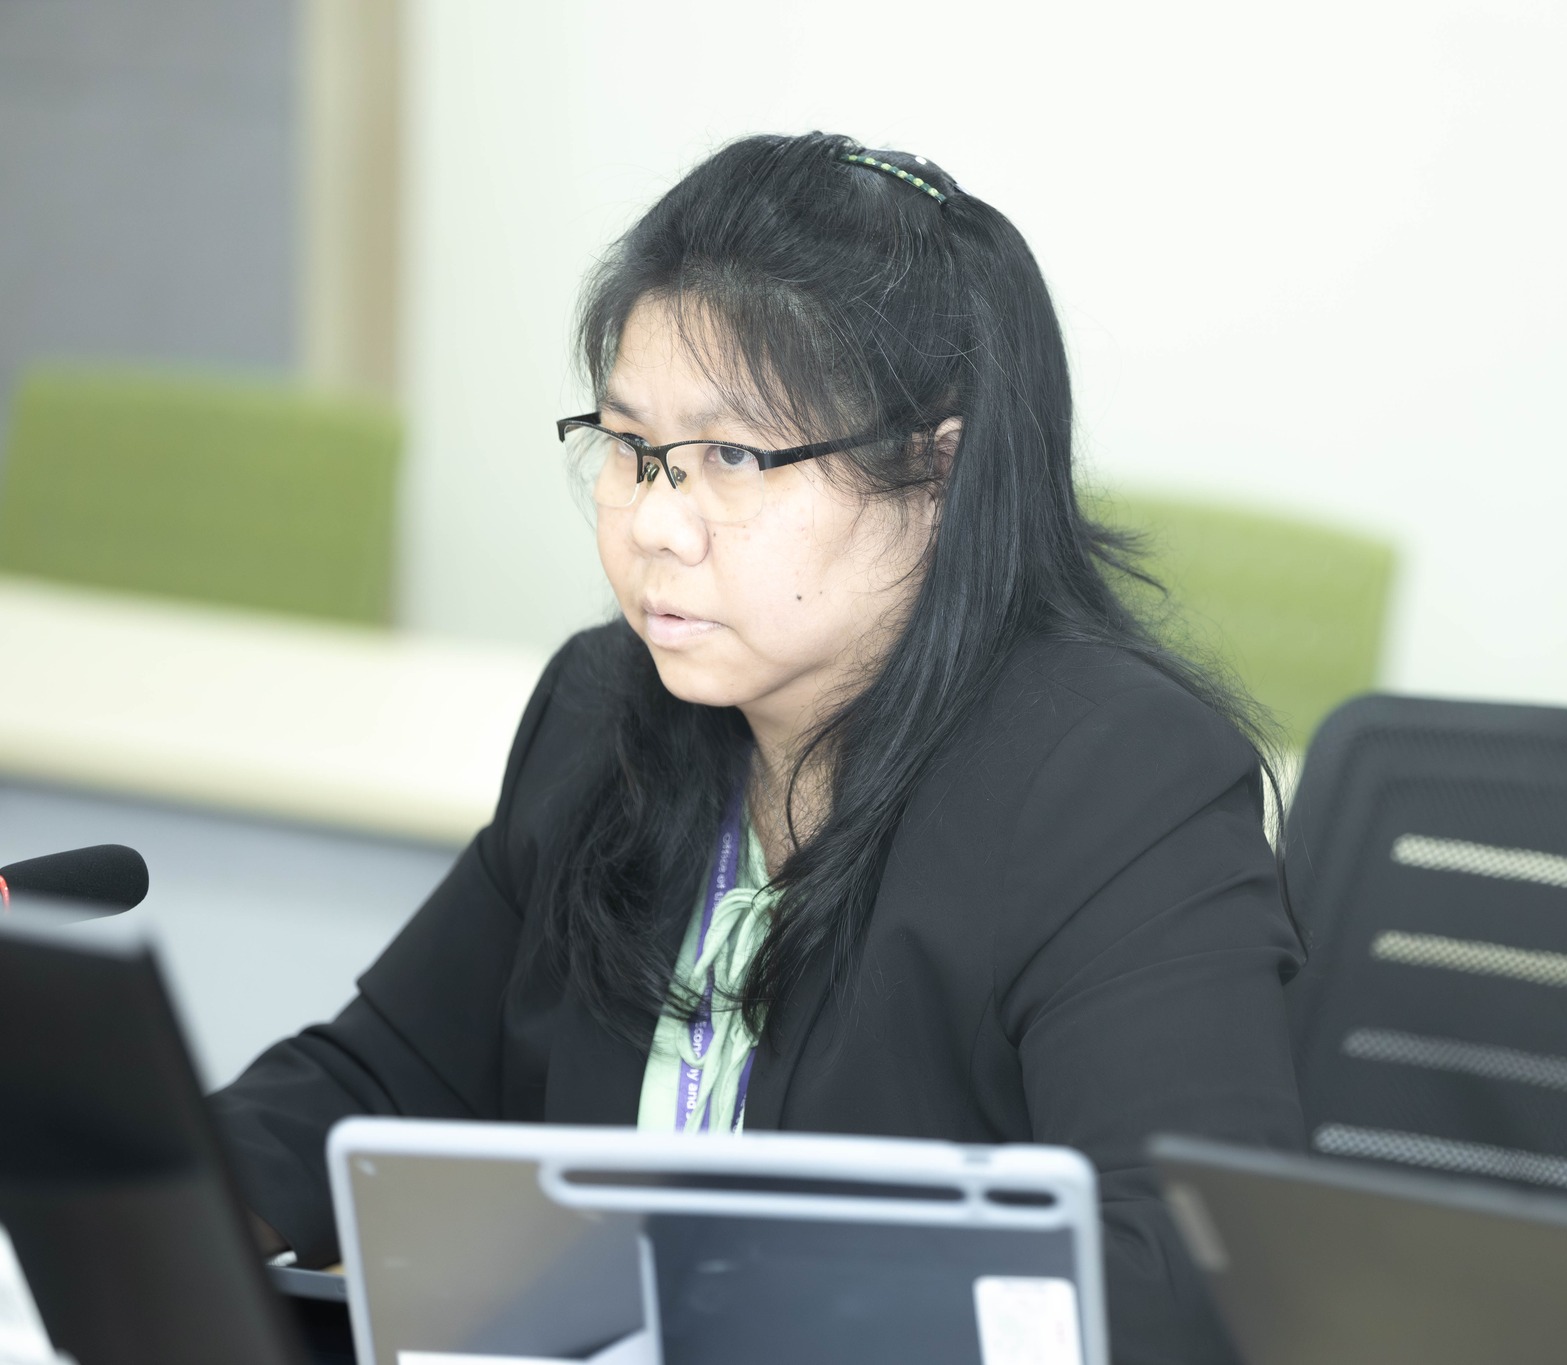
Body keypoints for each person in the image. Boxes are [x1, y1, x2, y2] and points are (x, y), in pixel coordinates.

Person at [211, 132, 1304, 1363]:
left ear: (934, 474)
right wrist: (154, 1197)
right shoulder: (602, 712)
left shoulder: (1117, 786)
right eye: (631, 450)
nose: (655, 525)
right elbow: (383, 1077)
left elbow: (1183, 1279)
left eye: (731, 458)